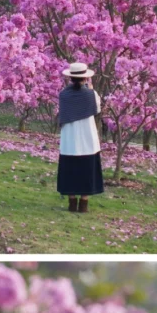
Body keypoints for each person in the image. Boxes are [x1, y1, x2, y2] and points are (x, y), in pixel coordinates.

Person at [56, 60, 104, 213]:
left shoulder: (63, 95)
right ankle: (84, 203)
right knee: (86, 170)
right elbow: (97, 108)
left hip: (70, 138)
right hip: (87, 137)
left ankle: (71, 202)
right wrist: (91, 89)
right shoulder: (91, 95)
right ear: (85, 78)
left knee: (70, 170)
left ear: (70, 78)